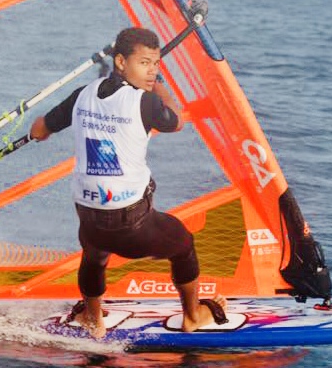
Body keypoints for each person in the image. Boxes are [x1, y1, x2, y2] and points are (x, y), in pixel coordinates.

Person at [30, 27, 227, 338]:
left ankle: (93, 318)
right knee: (183, 243)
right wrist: (160, 87)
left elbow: (40, 130)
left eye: (156, 64)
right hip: (132, 225)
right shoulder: (144, 102)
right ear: (121, 61)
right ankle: (193, 316)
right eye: (145, 63)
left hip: (89, 217)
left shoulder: (82, 94)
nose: (152, 71)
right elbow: (176, 121)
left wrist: (41, 130)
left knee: (94, 253)